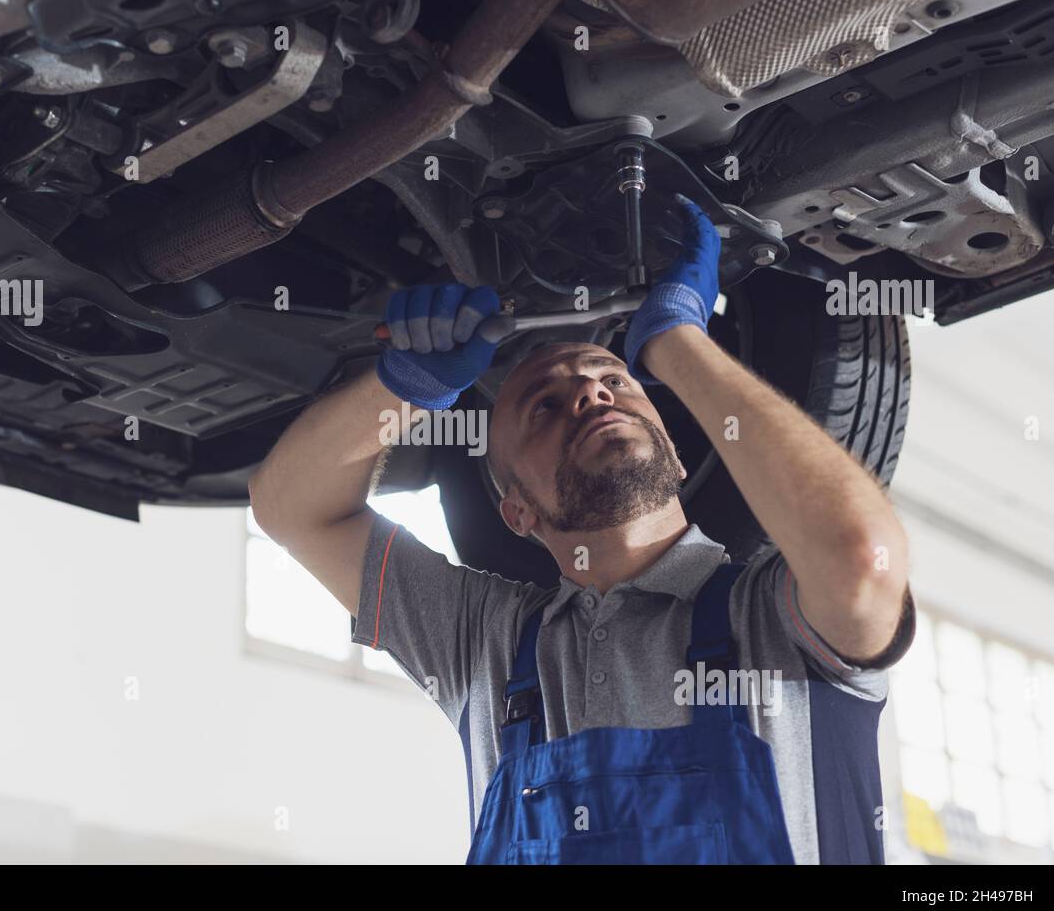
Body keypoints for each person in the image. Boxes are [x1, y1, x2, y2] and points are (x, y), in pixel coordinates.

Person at [249, 195, 916, 864]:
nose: (591, 394)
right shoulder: (488, 644)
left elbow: (864, 559)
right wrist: (402, 385)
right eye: (544, 405)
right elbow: (289, 507)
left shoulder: (768, 615)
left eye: (616, 382)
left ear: (678, 454)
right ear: (517, 512)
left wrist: (677, 341)